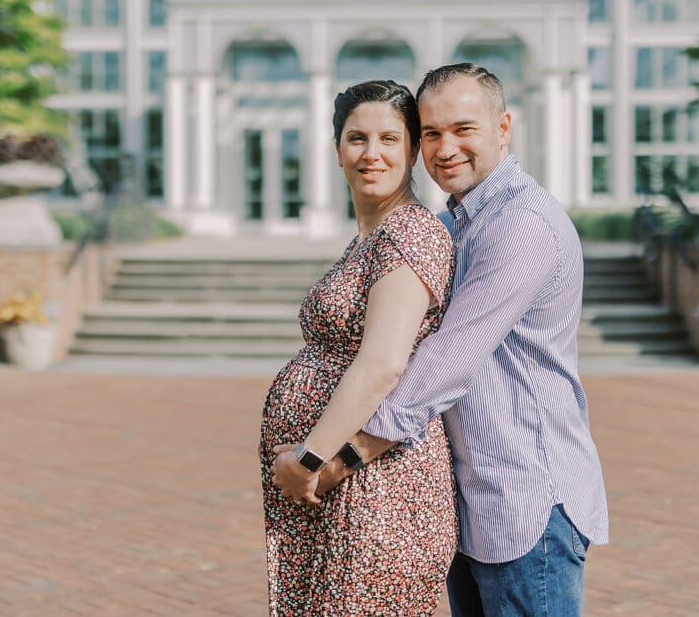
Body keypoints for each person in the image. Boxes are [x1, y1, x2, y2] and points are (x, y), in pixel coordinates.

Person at [273, 63, 610, 616]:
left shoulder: (522, 222)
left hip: (526, 500)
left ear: (504, 127)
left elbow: (449, 359)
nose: (445, 147)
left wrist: (337, 458)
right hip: (471, 498)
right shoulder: (458, 223)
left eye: (463, 129)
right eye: (431, 133)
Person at [258, 79, 458, 616]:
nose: (372, 154)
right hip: (345, 494)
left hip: (379, 494)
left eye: (390, 139)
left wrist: (308, 458)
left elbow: (383, 366)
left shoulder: (409, 235)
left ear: (414, 150)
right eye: (357, 138)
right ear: (337, 150)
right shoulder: (373, 235)